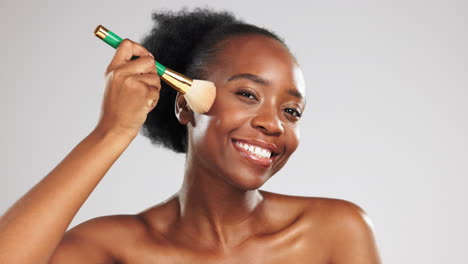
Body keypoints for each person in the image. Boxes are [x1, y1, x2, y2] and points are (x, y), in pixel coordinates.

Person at [0, 9, 381, 263]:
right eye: (248, 94)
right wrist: (111, 131)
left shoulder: (336, 231)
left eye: (291, 111)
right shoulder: (112, 248)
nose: (274, 124)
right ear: (185, 105)